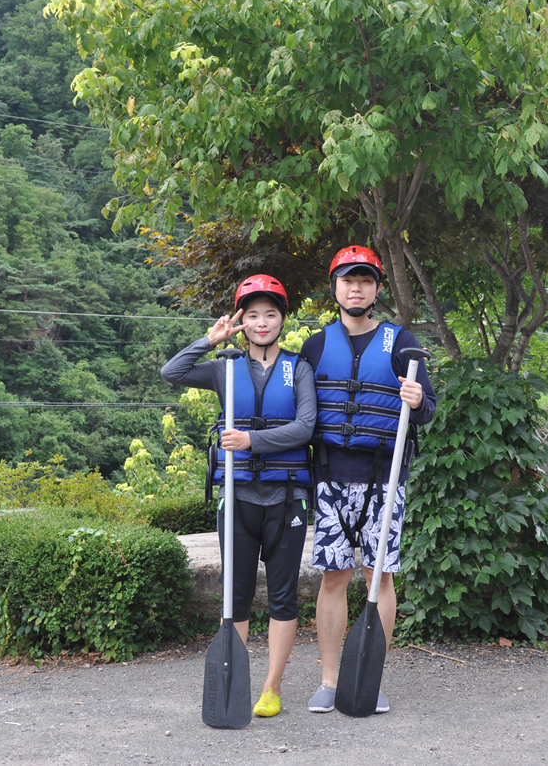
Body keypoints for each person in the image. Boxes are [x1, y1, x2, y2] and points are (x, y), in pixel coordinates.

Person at [160, 274, 317, 719]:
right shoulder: (224, 367)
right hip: (238, 495)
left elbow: (305, 427)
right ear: (242, 322)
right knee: (236, 595)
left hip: (287, 496)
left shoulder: (298, 368)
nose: (262, 323)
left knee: (283, 596)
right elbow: (171, 373)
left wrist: (251, 440)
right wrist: (210, 341)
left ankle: (272, 687)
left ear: (283, 320)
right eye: (252, 316)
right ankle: (236, 680)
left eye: (271, 314)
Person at [302, 246, 436, 714]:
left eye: (364, 281)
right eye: (347, 280)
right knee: (333, 578)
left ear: (377, 289)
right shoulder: (316, 346)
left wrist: (416, 400)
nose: (355, 288)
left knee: (379, 579)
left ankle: (370, 676)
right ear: (335, 288)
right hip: (330, 479)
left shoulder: (402, 343)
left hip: (384, 479)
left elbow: (427, 411)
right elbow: (301, 415)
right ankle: (330, 680)